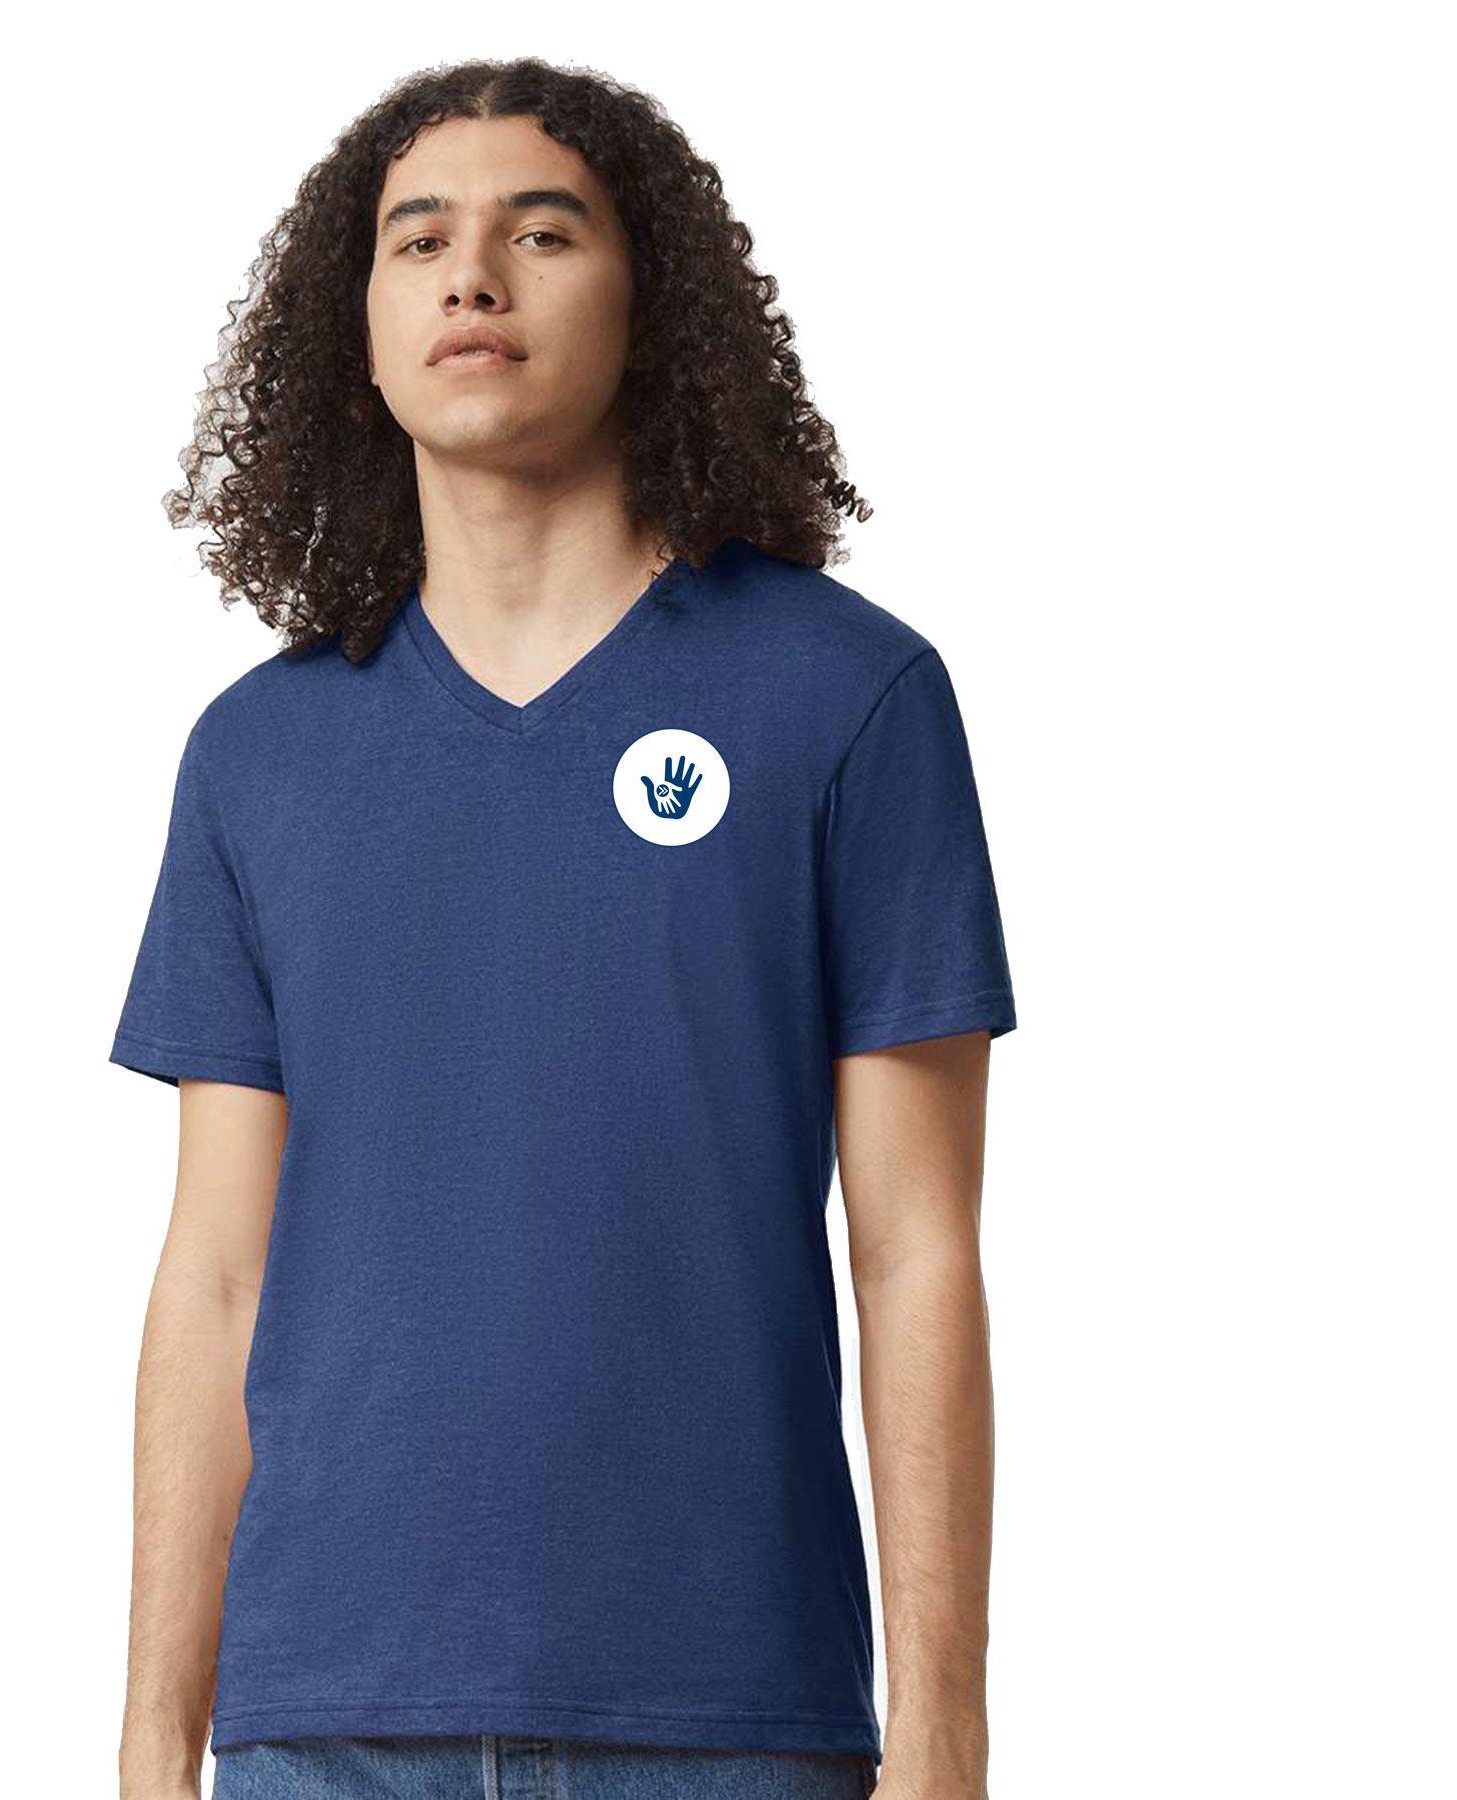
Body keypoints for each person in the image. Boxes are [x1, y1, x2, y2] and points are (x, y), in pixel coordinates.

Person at [110, 56, 1015, 1800]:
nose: (472, 276)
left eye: (540, 232)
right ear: (358, 335)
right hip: (323, 1727)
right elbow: (216, 1273)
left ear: (648, 302)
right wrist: (155, 1741)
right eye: (418, 241)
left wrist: (946, 1734)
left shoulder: (846, 698)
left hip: (728, 1720)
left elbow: (915, 1249)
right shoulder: (258, 756)